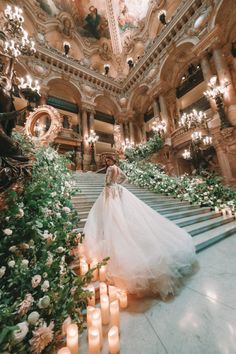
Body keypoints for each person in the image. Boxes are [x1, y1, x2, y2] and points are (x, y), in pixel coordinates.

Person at [83, 157, 197, 299]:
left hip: (109, 191)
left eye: (108, 160)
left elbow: (106, 181)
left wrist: (109, 186)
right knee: (119, 215)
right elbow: (125, 178)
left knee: (110, 216)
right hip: (117, 190)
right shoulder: (118, 169)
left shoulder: (110, 169)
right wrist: (118, 186)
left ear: (111, 161)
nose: (107, 162)